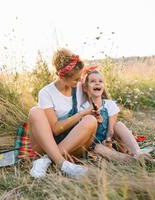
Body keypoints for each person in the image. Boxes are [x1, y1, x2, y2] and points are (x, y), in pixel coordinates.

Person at [28, 48, 98, 179]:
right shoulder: (46, 93)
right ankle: (61, 163)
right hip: (49, 143)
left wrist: (95, 113)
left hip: (73, 144)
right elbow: (55, 129)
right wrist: (80, 114)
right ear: (61, 76)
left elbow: (98, 100)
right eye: (75, 80)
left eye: (80, 78)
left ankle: (46, 160)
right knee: (35, 111)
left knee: (91, 121)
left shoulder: (79, 88)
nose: (78, 83)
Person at [80, 66, 150, 162]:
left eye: (100, 81)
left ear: (103, 86)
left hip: (112, 141)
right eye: (92, 81)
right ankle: (130, 160)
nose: (97, 83)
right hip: (95, 145)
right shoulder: (83, 108)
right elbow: (86, 134)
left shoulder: (109, 104)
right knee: (98, 147)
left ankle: (138, 152)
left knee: (119, 125)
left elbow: (111, 130)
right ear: (85, 87)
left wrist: (108, 140)